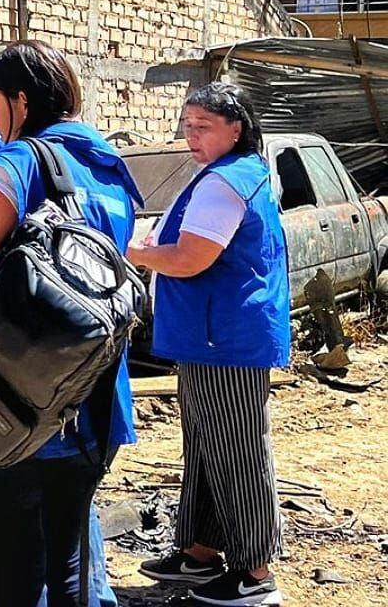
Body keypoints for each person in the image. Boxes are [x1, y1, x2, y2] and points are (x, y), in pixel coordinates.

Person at [0, 40, 141, 607]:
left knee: (14, 564)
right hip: (92, 396)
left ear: (21, 102)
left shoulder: (16, 164)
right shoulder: (110, 164)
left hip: (15, 395)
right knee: (68, 558)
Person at [128, 83, 288, 607]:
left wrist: (137, 253)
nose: (190, 135)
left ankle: (255, 571)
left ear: (235, 128)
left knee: (237, 450)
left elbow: (192, 258)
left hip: (225, 338)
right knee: (205, 445)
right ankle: (200, 552)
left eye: (203, 127)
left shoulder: (225, 182)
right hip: (212, 335)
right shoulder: (232, 173)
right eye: (188, 125)